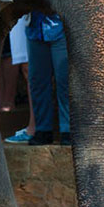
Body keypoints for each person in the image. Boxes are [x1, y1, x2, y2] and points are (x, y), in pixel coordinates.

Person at [24, 11, 70, 146]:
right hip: (35, 29)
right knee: (37, 81)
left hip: (61, 27)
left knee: (64, 81)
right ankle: (43, 130)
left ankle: (67, 130)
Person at [4, 15, 37, 143]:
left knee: (31, 68)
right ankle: (33, 126)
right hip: (21, 16)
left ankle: (35, 127)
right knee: (26, 68)